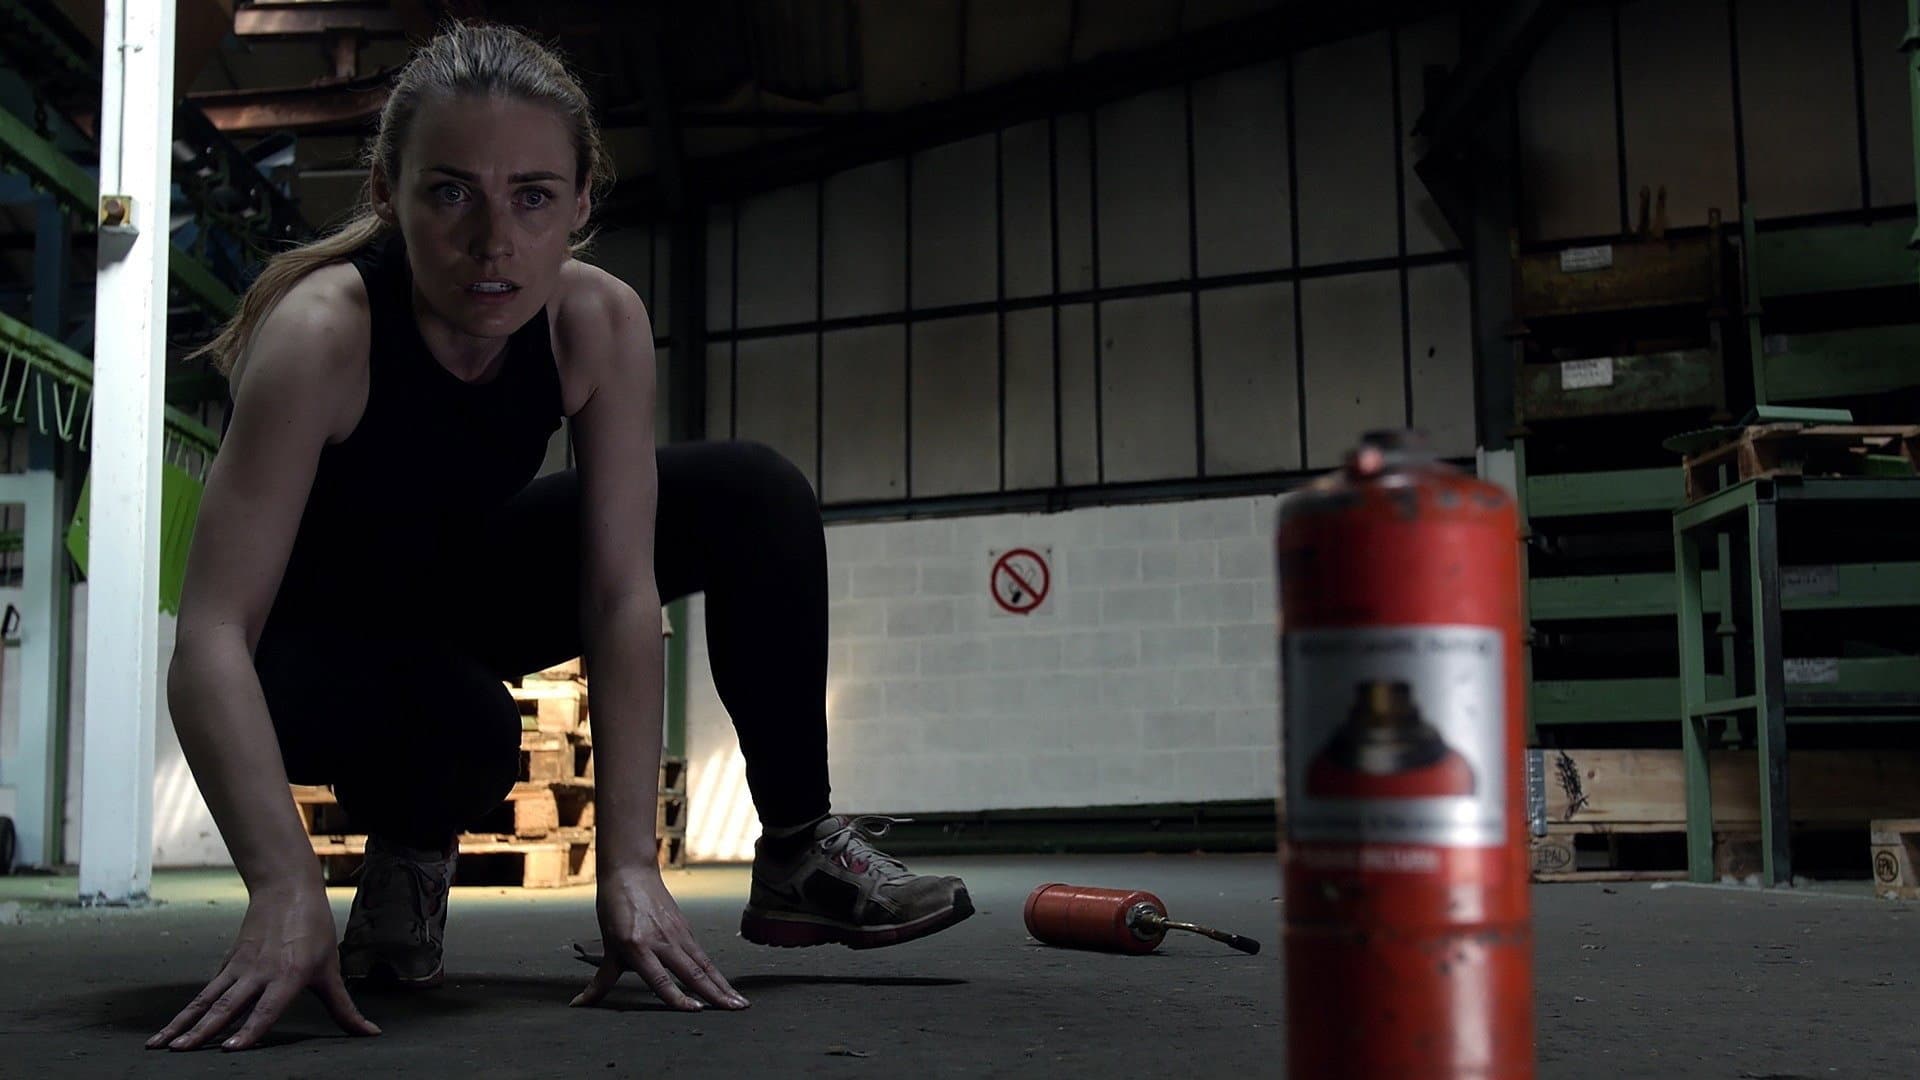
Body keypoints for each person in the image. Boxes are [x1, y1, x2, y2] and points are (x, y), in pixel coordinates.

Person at [150, 21, 972, 1053]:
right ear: (387, 195)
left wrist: (629, 864)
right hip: (317, 645)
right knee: (471, 731)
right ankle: (409, 849)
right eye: (452, 193)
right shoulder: (323, 333)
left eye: (532, 196)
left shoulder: (597, 322)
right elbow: (212, 637)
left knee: (753, 495)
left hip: (451, 586)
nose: (493, 240)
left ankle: (799, 848)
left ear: (582, 201)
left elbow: (622, 594)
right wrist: (282, 885)